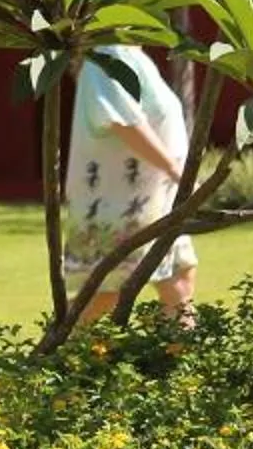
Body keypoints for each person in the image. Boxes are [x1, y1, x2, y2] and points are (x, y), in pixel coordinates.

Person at [64, 45, 194, 323]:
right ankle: (54, 356)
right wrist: (173, 168)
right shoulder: (106, 56)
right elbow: (121, 121)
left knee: (180, 279)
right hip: (122, 203)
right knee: (108, 293)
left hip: (158, 201)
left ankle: (182, 362)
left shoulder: (134, 55)